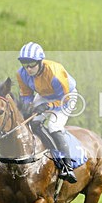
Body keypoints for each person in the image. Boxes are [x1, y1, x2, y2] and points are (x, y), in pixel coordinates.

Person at [16, 42, 79, 183]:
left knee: (54, 127)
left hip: (66, 96)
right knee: (33, 123)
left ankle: (67, 165)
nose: (28, 69)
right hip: (44, 94)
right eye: (25, 65)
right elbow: (26, 94)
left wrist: (48, 106)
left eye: (32, 65)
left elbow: (65, 98)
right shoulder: (21, 74)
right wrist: (28, 107)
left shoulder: (55, 73)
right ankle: (45, 152)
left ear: (40, 62)